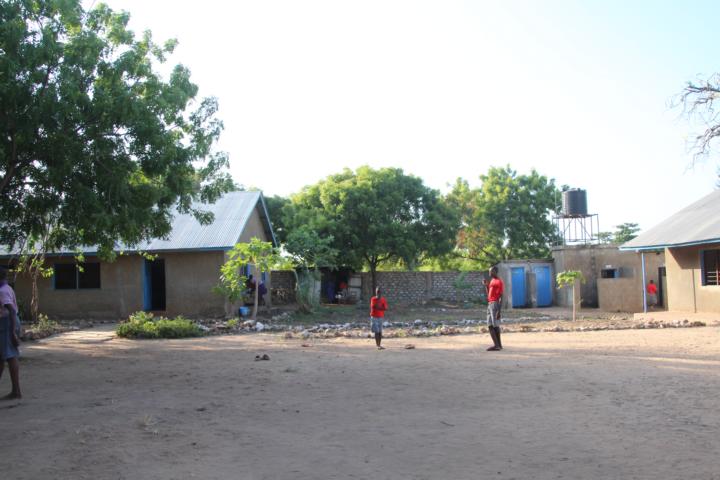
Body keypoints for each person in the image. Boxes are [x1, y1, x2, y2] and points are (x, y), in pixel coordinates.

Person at [0, 266, 21, 400]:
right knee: (2, 356)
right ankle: (15, 391)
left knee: (10, 355)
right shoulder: (7, 288)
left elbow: (12, 311)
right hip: (6, 323)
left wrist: (12, 332)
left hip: (8, 323)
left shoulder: (2, 291)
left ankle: (16, 391)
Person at [482, 266, 504, 351]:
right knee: (492, 325)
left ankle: (496, 345)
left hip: (495, 304)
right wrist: (486, 286)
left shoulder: (499, 282)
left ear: (495, 271)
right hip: (490, 303)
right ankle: (499, 345)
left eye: (490, 271)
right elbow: (489, 295)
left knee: (492, 326)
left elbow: (501, 297)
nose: (489, 273)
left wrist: (499, 311)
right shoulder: (492, 281)